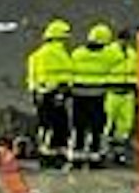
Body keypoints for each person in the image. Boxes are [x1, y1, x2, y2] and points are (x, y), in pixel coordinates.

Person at [26, 19, 74, 164]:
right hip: (55, 93)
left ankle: (45, 151)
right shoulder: (59, 53)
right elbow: (66, 74)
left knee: (45, 124)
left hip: (41, 94)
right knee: (60, 125)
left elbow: (32, 77)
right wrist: (64, 91)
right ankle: (57, 152)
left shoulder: (35, 55)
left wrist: (34, 92)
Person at [69, 23, 116, 167]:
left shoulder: (77, 53)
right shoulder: (108, 55)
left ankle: (77, 155)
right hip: (98, 95)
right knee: (97, 127)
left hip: (78, 95)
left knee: (79, 126)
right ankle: (95, 156)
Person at [105, 27, 139, 156]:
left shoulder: (132, 53)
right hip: (112, 92)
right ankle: (105, 150)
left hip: (127, 93)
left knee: (125, 125)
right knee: (107, 123)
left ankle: (119, 153)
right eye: (123, 40)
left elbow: (136, 71)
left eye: (127, 40)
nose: (125, 43)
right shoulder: (109, 52)